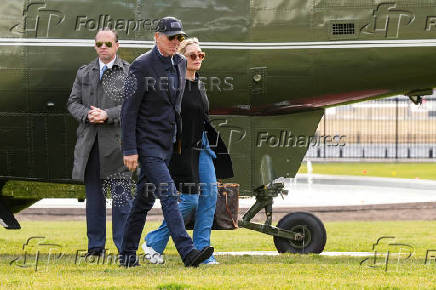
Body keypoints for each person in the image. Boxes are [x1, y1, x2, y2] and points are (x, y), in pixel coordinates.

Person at [119, 17, 214, 267]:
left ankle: (127, 255)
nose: (175, 42)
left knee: (143, 201)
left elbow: (179, 106)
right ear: (157, 37)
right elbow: (128, 111)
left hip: (169, 144)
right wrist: (129, 149)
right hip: (147, 144)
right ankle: (188, 252)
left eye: (179, 38)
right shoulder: (141, 66)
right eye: (171, 37)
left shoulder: (181, 63)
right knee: (171, 196)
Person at [143, 38, 233, 265]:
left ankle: (203, 251)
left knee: (210, 196)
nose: (198, 59)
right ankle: (154, 241)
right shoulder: (173, 86)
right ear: (181, 58)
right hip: (180, 151)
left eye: (201, 55)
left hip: (201, 148)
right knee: (189, 201)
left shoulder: (199, 84)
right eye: (193, 55)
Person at [67, 29, 132, 256]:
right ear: (95, 46)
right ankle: (95, 248)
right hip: (90, 145)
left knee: (122, 200)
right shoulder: (84, 72)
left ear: (117, 45)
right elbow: (72, 103)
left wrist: (107, 114)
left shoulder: (129, 72)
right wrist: (87, 114)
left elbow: (133, 106)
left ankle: (125, 248)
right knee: (94, 200)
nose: (103, 47)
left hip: (119, 145)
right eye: (99, 44)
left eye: (107, 43)